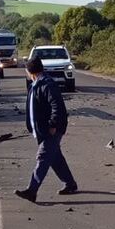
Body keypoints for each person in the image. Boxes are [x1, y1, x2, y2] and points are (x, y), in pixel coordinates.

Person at [14, 57, 77, 203]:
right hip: (41, 130)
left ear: (30, 71)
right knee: (55, 158)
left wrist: (53, 125)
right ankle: (70, 184)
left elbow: (57, 106)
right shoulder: (35, 84)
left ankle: (32, 190)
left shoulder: (47, 84)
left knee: (43, 157)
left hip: (51, 130)